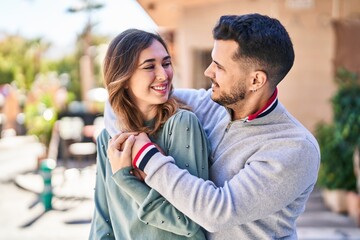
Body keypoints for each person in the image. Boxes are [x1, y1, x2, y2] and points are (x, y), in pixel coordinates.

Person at [105, 13, 320, 239]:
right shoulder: (211, 105)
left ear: (256, 80)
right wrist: (125, 141)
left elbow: (217, 213)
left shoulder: (293, 148)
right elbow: (126, 98)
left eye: (219, 66)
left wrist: (147, 157)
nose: (208, 72)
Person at [89, 29, 210, 239]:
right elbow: (102, 221)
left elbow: (191, 222)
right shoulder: (107, 138)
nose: (164, 75)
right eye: (149, 66)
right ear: (123, 78)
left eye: (166, 63)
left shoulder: (182, 124)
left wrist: (126, 180)